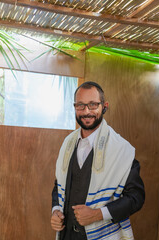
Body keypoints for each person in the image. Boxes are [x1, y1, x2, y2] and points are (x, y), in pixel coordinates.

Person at [51, 81, 145, 240]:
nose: (86, 111)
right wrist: (55, 210)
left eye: (93, 105)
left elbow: (136, 197)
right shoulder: (67, 143)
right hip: (66, 234)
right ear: (74, 107)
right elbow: (58, 185)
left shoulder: (121, 150)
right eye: (80, 105)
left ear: (104, 106)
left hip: (102, 235)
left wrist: (98, 214)